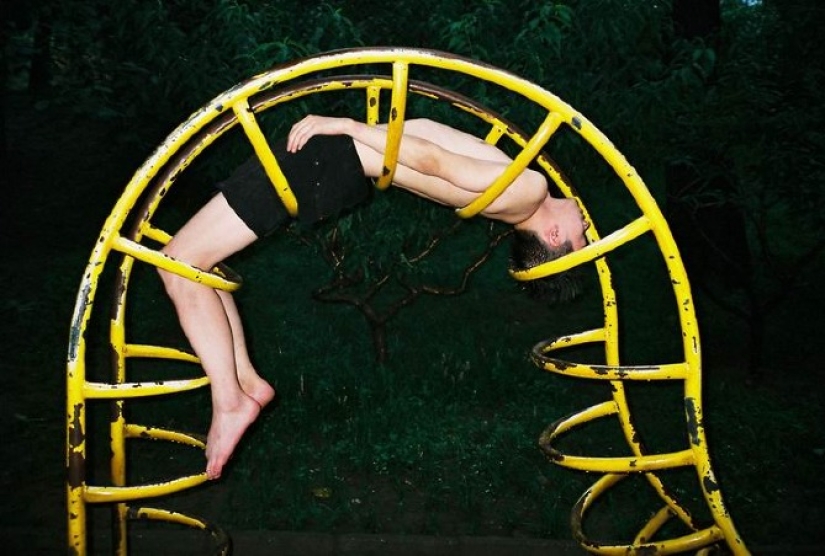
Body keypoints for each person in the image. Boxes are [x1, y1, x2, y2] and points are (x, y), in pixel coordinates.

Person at [158, 114, 589, 480]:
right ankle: (245, 382)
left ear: (554, 238)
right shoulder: (518, 199)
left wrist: (346, 125)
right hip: (333, 162)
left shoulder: (529, 189)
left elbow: (435, 161)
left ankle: (230, 399)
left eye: (582, 238)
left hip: (327, 159)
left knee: (177, 263)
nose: (587, 227)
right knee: (196, 263)